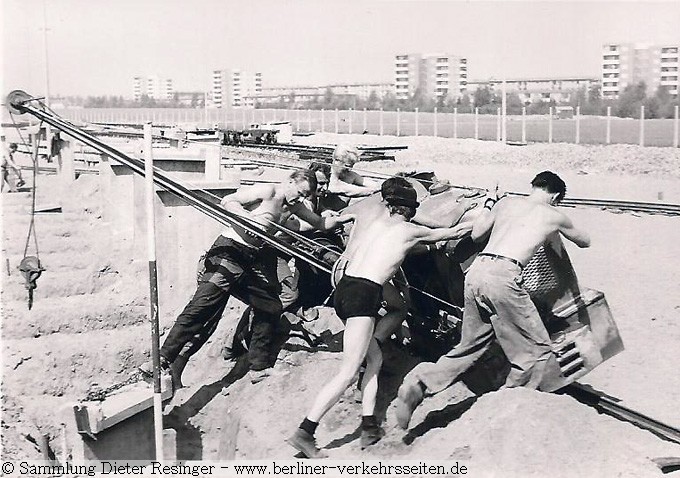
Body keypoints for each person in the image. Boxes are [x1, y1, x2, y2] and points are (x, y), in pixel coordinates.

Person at [287, 177, 473, 458]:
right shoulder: (410, 231)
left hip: (345, 288)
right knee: (348, 372)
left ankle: (369, 426)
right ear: (411, 210)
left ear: (388, 205)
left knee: (374, 359)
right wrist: (488, 210)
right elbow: (452, 231)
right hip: (365, 294)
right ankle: (305, 431)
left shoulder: (372, 223)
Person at [395, 171, 591, 429]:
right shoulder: (554, 214)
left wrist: (490, 202)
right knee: (539, 350)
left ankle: (420, 384)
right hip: (505, 277)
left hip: (476, 273)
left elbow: (477, 235)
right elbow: (585, 241)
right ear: (555, 196)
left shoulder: (505, 203)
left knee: (470, 346)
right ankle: (509, 408)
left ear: (533, 187)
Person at [141, 170, 354, 385]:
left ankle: (258, 367)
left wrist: (344, 217)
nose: (300, 199)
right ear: (289, 181)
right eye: (299, 192)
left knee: (270, 307)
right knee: (202, 306)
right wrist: (247, 219)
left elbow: (319, 224)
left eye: (304, 196)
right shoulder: (268, 191)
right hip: (229, 251)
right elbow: (229, 200)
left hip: (253, 259)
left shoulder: (295, 206)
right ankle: (160, 359)